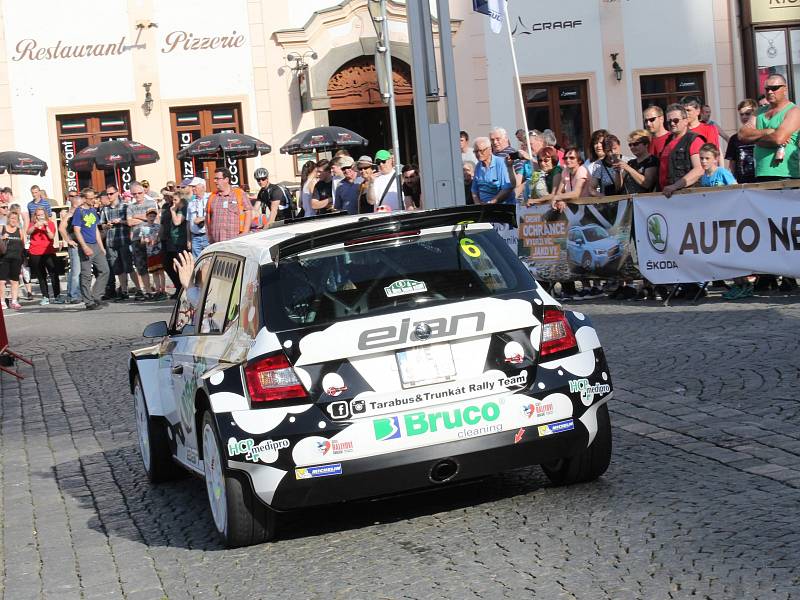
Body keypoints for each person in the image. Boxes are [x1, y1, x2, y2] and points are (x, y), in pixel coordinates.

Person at [737, 74, 800, 182]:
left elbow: (778, 139)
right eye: (767, 89)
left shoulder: (794, 111)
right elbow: (742, 135)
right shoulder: (759, 112)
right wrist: (768, 131)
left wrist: (755, 139)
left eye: (774, 88)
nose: (770, 92)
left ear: (785, 89)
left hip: (785, 175)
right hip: (761, 173)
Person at [72, 187, 110, 310]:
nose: (93, 200)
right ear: (84, 199)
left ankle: (96, 295)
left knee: (105, 270)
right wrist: (84, 246)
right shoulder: (79, 211)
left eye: (94, 197)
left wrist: (101, 246)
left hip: (95, 245)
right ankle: (88, 301)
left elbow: (95, 229)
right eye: (90, 198)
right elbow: (77, 230)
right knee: (86, 275)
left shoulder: (93, 210)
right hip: (86, 244)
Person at [659, 104, 705, 198]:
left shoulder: (694, 140)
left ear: (685, 121)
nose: (672, 124)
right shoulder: (667, 141)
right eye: (669, 121)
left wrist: (675, 186)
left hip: (687, 195)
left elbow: (699, 169)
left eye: (676, 120)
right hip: (667, 195)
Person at [99, 185, 132, 301]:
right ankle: (124, 290)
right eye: (107, 194)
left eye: (111, 193)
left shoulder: (125, 206)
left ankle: (138, 289)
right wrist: (106, 225)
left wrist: (121, 221)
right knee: (117, 267)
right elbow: (102, 225)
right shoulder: (105, 209)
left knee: (127, 265)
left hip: (123, 239)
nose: (109, 196)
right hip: (111, 240)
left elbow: (130, 222)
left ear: (117, 193)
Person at [126, 181, 158, 301]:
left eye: (140, 193)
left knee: (155, 265)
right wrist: (144, 218)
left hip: (150, 237)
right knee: (141, 266)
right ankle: (148, 291)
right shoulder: (130, 206)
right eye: (135, 194)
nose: (138, 196)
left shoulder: (151, 202)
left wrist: (136, 217)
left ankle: (159, 289)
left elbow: (153, 218)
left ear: (144, 192)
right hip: (136, 239)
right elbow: (129, 222)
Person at [206, 167, 252, 244]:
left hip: (235, 241)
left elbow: (248, 212)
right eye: (215, 179)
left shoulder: (239, 194)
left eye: (217, 179)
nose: (215, 181)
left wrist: (245, 232)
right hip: (216, 242)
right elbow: (207, 217)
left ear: (226, 179)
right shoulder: (212, 196)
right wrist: (209, 236)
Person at [26, 206, 60, 305]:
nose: (40, 216)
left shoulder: (50, 223)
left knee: (54, 274)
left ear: (45, 215)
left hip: (48, 251)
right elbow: (28, 232)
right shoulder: (33, 224)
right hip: (35, 252)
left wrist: (46, 227)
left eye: (42, 214)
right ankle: (45, 296)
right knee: (41, 276)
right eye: (38, 215)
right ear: (35, 216)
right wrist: (36, 225)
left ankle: (57, 295)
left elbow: (51, 236)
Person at [159, 191, 188, 297]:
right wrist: (159, 236)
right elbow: (162, 223)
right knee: (167, 264)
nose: (168, 198)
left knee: (178, 265)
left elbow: (177, 222)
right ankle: (178, 287)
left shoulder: (182, 207)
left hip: (178, 239)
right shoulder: (166, 206)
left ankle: (182, 289)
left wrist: (172, 210)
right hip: (166, 239)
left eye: (173, 198)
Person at [470, 136, 513, 204]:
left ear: (490, 150)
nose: (478, 154)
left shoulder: (501, 163)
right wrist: (478, 205)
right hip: (484, 208)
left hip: (502, 207)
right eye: (476, 151)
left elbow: (506, 189)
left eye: (481, 150)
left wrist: (491, 203)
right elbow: (474, 190)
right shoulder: (478, 166)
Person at [725, 99, 758, 184]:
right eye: (741, 114)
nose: (744, 117)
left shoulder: (761, 135)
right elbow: (732, 165)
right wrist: (731, 181)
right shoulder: (734, 139)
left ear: (755, 114)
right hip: (742, 183)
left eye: (747, 114)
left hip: (760, 181)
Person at [58, 191, 83, 304]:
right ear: (75, 204)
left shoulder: (80, 213)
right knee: (76, 271)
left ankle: (79, 293)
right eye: (80, 204)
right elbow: (61, 228)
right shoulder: (69, 215)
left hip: (83, 244)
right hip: (75, 245)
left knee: (82, 270)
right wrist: (68, 240)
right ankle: (74, 295)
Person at [0, 210, 26, 310]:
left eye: (15, 219)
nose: (13, 220)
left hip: (16, 258)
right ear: (8, 219)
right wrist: (2, 237)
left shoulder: (19, 231)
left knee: (14, 281)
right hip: (3, 258)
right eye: (11, 218)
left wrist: (24, 258)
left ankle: (14, 301)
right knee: (1, 281)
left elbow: (23, 245)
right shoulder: (2, 228)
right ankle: (2, 301)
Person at [142, 207, 166, 300]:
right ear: (146, 217)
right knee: (154, 272)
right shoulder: (144, 228)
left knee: (161, 271)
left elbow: (161, 236)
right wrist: (145, 240)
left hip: (158, 251)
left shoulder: (158, 226)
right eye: (150, 216)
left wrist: (157, 238)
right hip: (150, 252)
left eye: (153, 216)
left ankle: (163, 289)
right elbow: (141, 241)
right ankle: (157, 290)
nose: (151, 218)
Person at [643, 106, 670, 176]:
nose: (648, 124)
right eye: (646, 121)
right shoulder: (645, 142)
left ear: (661, 119)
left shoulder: (671, 138)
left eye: (652, 119)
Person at [187, 177, 209, 256]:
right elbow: (188, 222)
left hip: (207, 236)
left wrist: (202, 218)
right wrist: (188, 239)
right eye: (192, 187)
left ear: (202, 187)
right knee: (196, 263)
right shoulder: (191, 203)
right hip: (195, 238)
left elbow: (215, 216)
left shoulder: (210, 199)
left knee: (209, 261)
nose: (192, 188)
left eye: (194, 186)